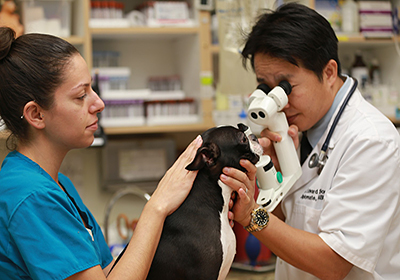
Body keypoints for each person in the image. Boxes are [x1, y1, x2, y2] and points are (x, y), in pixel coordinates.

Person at [0, 26, 203, 279]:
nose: (99, 104)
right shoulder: (31, 197)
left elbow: (107, 272)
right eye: (81, 95)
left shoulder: (58, 185)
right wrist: (156, 206)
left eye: (92, 90)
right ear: (36, 114)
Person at [219, 3, 400, 280]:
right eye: (265, 86)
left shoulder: (371, 141)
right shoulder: (299, 128)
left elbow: (334, 263)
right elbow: (284, 225)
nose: (275, 101)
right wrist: (275, 180)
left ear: (328, 73)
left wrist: (251, 216)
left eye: (285, 86)